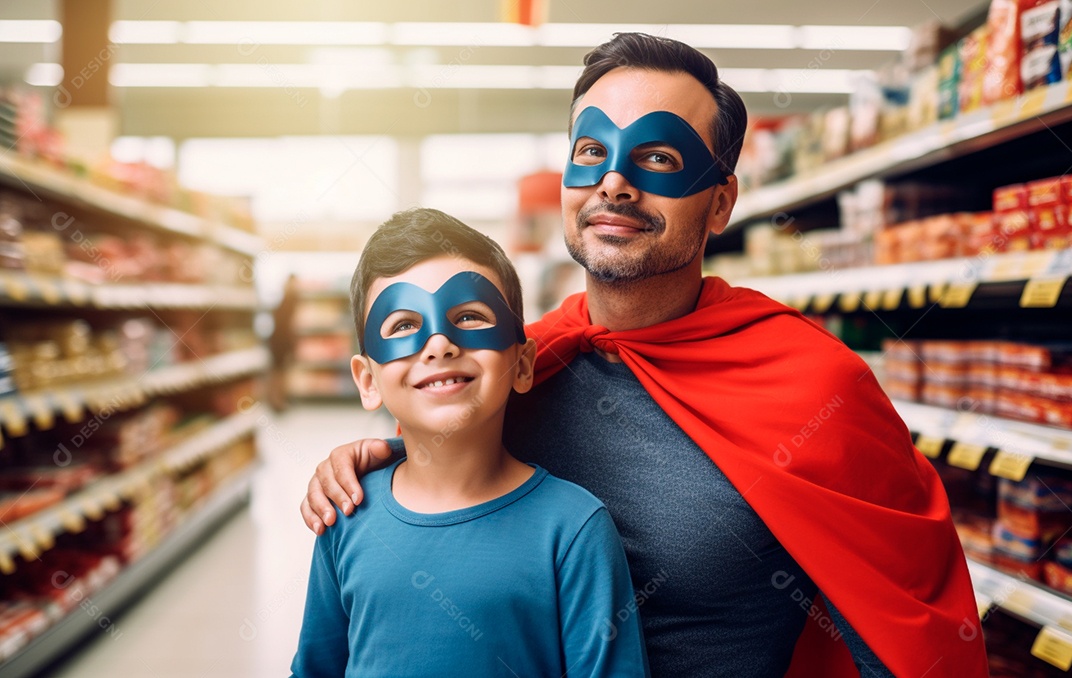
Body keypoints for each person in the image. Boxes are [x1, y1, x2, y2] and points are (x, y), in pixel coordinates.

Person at [301, 33, 990, 677]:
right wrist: (374, 461)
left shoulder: (814, 387)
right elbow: (443, 471)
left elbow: (911, 630)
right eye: (592, 151)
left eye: (659, 158)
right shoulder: (529, 361)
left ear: (720, 204)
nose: (615, 183)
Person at [289, 208, 649, 678]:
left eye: (469, 316)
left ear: (522, 365)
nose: (438, 343)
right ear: (367, 379)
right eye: (402, 325)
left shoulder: (574, 530)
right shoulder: (345, 512)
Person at [268, 273, 299, 412]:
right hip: (281, 340)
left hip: (278, 339)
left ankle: (278, 400)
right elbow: (289, 324)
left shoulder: (284, 299)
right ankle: (277, 401)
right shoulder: (289, 300)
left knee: (279, 372)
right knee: (279, 373)